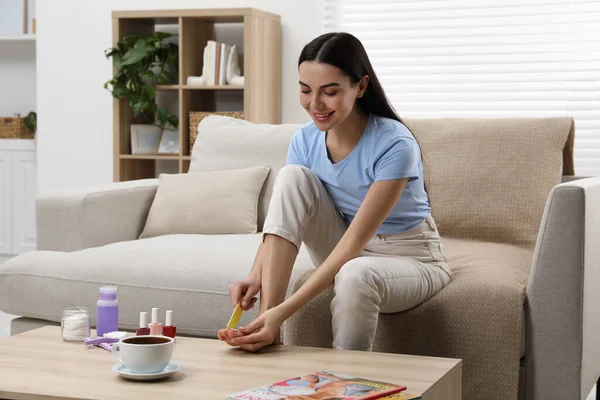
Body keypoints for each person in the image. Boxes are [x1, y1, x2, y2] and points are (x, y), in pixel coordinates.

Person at [217, 32, 453, 353]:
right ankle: (264, 329)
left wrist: (284, 311)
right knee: (292, 177)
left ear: (361, 86)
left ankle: (347, 378)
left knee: (356, 274)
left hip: (410, 257)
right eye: (305, 90)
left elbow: (352, 246)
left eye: (330, 92)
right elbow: (285, 217)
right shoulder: (304, 140)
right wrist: (256, 275)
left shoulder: (395, 144)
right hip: (346, 244)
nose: (315, 105)